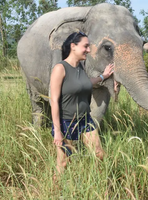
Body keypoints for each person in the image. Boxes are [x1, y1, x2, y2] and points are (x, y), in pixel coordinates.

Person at [50, 31, 114, 177]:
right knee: (64, 163)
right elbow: (53, 100)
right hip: (66, 122)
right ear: (73, 46)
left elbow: (84, 83)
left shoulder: (80, 67)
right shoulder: (60, 68)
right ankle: (54, 191)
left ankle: (101, 187)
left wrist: (103, 76)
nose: (89, 50)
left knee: (99, 154)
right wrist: (58, 131)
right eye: (85, 46)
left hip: (85, 120)